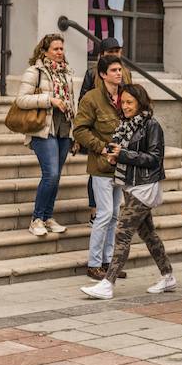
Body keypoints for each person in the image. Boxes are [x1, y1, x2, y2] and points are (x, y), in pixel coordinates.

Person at [81, 84, 176, 299]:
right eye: (122, 102)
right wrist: (116, 157)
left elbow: (154, 159)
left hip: (146, 186)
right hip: (130, 184)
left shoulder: (152, 125)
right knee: (148, 233)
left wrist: (123, 155)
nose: (125, 106)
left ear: (140, 102)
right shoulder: (125, 125)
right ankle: (168, 276)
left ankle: (107, 283)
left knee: (122, 232)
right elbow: (129, 154)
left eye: (129, 102)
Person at [15, 34, 77, 238]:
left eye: (61, 49)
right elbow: (21, 100)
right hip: (43, 129)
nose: (60, 52)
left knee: (56, 176)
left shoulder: (67, 72)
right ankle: (37, 219)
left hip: (64, 129)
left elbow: (72, 103)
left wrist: (74, 133)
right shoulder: (35, 72)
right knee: (50, 175)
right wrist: (49, 100)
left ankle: (48, 216)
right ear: (44, 51)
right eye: (56, 49)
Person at [73, 55, 125, 281]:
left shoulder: (125, 97)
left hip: (121, 165)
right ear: (103, 74)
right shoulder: (91, 99)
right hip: (101, 166)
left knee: (115, 215)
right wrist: (102, 148)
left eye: (119, 69)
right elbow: (80, 130)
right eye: (113, 70)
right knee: (104, 214)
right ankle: (94, 264)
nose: (118, 73)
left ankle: (109, 262)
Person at [78, 37, 132, 227]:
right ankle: (94, 210)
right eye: (110, 52)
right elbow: (83, 103)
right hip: (97, 129)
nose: (115, 55)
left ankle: (108, 252)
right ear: (102, 54)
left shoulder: (125, 73)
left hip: (118, 135)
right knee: (96, 173)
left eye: (117, 51)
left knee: (114, 207)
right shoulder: (93, 73)